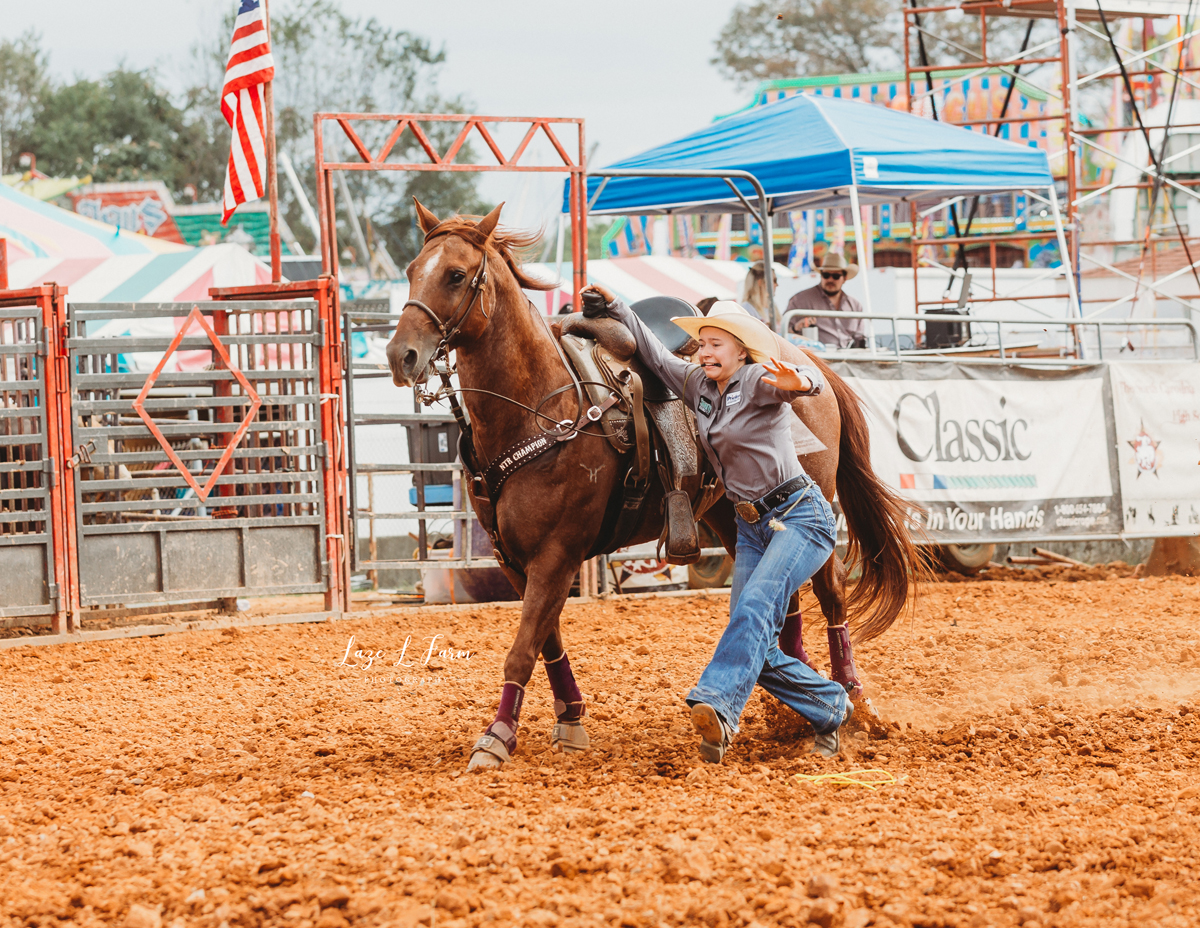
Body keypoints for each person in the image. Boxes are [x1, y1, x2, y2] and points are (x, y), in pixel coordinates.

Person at [580, 283, 854, 763]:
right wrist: (618, 306)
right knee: (754, 643)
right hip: (752, 528)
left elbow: (804, 380)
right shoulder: (696, 383)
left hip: (799, 518)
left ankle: (718, 706)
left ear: (740, 351)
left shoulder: (758, 381)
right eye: (701, 343)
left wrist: (802, 384)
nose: (703, 351)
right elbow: (650, 347)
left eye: (714, 344)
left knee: (751, 615)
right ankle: (831, 704)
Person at [786, 253, 867, 348]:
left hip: (850, 357)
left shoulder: (855, 305)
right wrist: (796, 327)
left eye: (836, 276)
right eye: (826, 275)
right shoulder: (800, 300)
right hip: (816, 358)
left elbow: (860, 338)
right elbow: (784, 333)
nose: (830, 280)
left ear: (844, 278)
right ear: (821, 276)